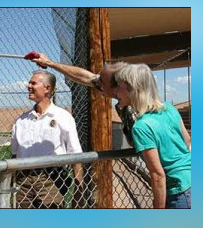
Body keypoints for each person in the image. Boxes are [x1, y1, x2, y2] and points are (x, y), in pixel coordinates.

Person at [113, 63, 191, 209]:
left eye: (119, 86)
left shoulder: (141, 126)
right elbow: (187, 142)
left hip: (178, 193)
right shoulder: (169, 108)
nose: (116, 92)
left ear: (132, 89)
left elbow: (158, 175)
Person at [11, 70, 84, 208]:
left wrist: (78, 191)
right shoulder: (21, 121)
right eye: (29, 82)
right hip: (22, 181)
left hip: (51, 180)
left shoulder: (63, 117)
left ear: (47, 88)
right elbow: (14, 155)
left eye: (33, 83)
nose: (28, 86)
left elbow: (76, 155)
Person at [30, 53, 136, 144]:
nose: (99, 85)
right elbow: (86, 77)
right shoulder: (123, 99)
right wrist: (49, 63)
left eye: (103, 81)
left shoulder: (140, 104)